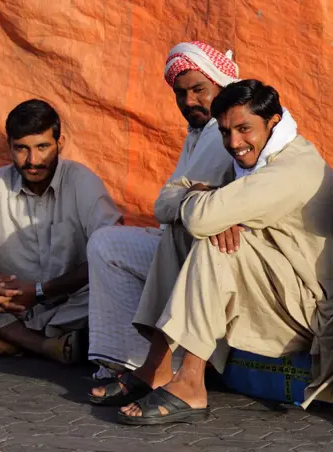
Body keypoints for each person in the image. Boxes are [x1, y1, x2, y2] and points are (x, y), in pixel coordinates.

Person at [108, 79, 333, 425]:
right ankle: (157, 367)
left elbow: (198, 216)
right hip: (282, 287)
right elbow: (165, 203)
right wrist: (205, 204)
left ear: (273, 121)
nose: (234, 143)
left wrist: (204, 203)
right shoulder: (251, 160)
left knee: (216, 244)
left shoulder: (291, 167)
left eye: (244, 129)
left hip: (314, 312)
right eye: (226, 132)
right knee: (180, 234)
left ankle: (191, 383)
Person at [86, 41, 237, 376]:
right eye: (181, 94)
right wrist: (177, 199)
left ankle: (136, 365)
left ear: (219, 83)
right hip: (184, 241)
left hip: (213, 250)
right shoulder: (199, 132)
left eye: (199, 90)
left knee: (106, 245)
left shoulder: (220, 132)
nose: (190, 102)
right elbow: (168, 203)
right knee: (107, 247)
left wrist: (177, 199)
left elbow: (172, 205)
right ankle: (132, 361)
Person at [0, 99, 122, 364]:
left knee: (121, 294)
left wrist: (39, 291)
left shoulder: (82, 182)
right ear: (9, 147)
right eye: (21, 149)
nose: (32, 161)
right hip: (10, 305)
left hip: (72, 305)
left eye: (42, 147)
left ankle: (8, 340)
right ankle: (45, 346)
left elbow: (113, 252)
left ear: (59, 144)